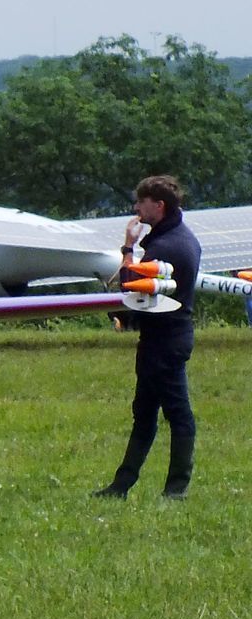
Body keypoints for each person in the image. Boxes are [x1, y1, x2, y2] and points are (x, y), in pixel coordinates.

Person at [94, 175, 202, 499]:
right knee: (144, 414)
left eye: (141, 202)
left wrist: (128, 246)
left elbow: (130, 288)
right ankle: (121, 485)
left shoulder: (167, 246)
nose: (136, 207)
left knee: (178, 414)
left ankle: (176, 490)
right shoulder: (180, 237)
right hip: (162, 338)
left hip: (165, 340)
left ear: (159, 206)